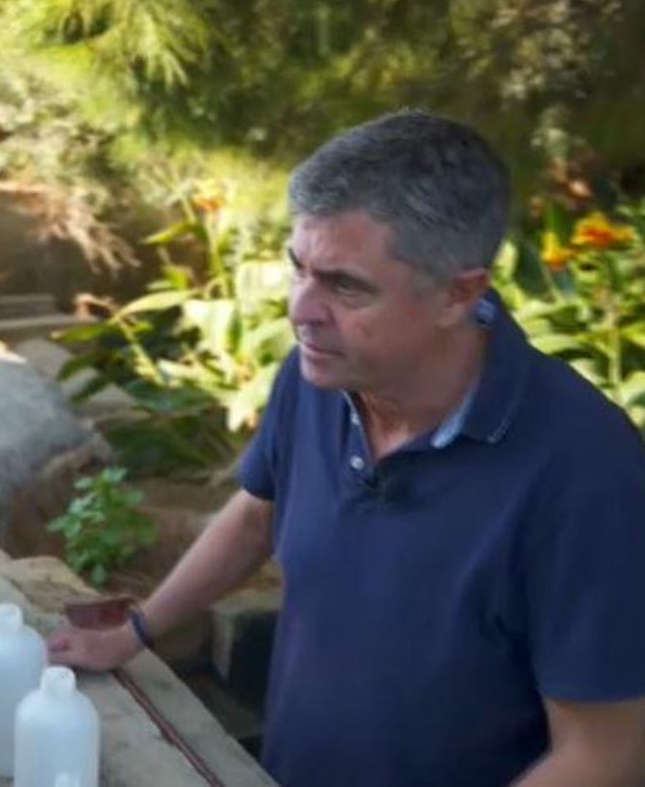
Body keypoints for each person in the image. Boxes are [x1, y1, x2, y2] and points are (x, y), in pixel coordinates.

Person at [48, 111, 645, 785]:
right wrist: (137, 631)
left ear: (459, 293)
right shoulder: (320, 378)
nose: (301, 310)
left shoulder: (585, 472)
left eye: (345, 285)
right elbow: (256, 514)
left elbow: (607, 755)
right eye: (297, 268)